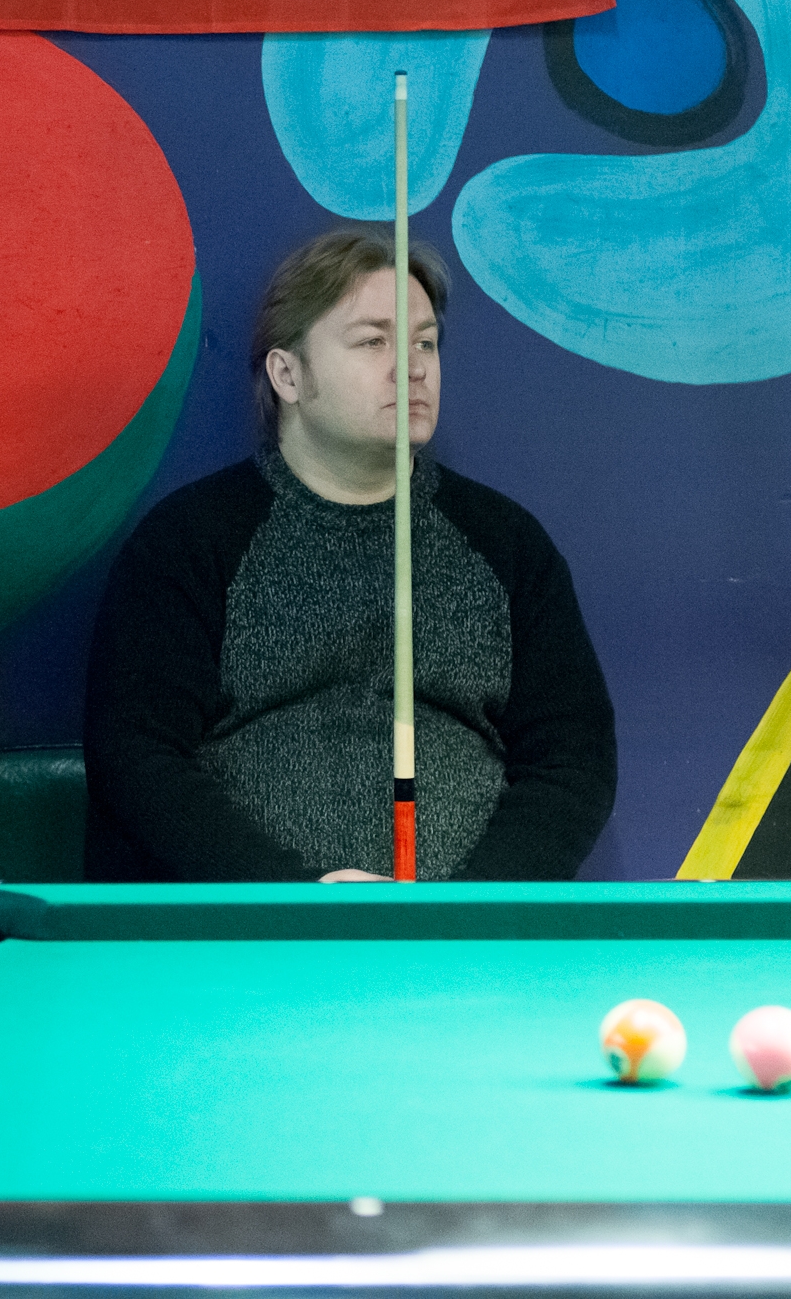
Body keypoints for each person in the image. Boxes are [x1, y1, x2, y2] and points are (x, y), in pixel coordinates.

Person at [84, 228, 614, 883]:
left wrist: (464, 911)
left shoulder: (508, 545)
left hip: (468, 934)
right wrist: (294, 900)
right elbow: (139, 760)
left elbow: (572, 764)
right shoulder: (188, 542)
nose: (412, 367)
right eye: (372, 342)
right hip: (255, 932)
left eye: (425, 343)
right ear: (287, 374)